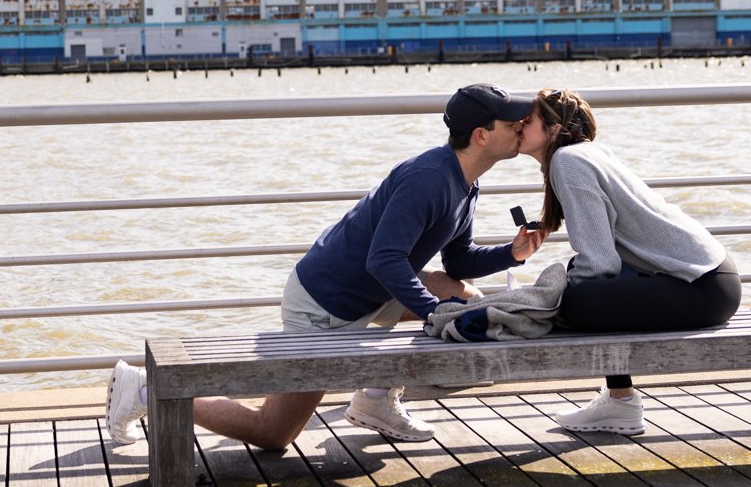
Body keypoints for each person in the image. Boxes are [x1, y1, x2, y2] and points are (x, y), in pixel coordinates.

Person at [106, 83, 549, 449]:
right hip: (326, 304)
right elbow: (384, 258)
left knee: (463, 295)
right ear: (481, 136)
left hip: (371, 293)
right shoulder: (430, 179)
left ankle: (374, 400)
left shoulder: (465, 183)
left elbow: (458, 260)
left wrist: (511, 255)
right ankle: (146, 389)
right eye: (513, 123)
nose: (521, 127)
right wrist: (434, 314)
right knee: (273, 434)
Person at [519, 87, 740, 435]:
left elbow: (600, 262)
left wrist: (556, 290)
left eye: (528, 119)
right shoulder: (584, 154)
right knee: (587, 293)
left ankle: (620, 403)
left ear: (554, 129)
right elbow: (605, 259)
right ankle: (619, 399)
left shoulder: (568, 161)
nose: (519, 125)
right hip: (712, 279)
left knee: (578, 301)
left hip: (701, 286)